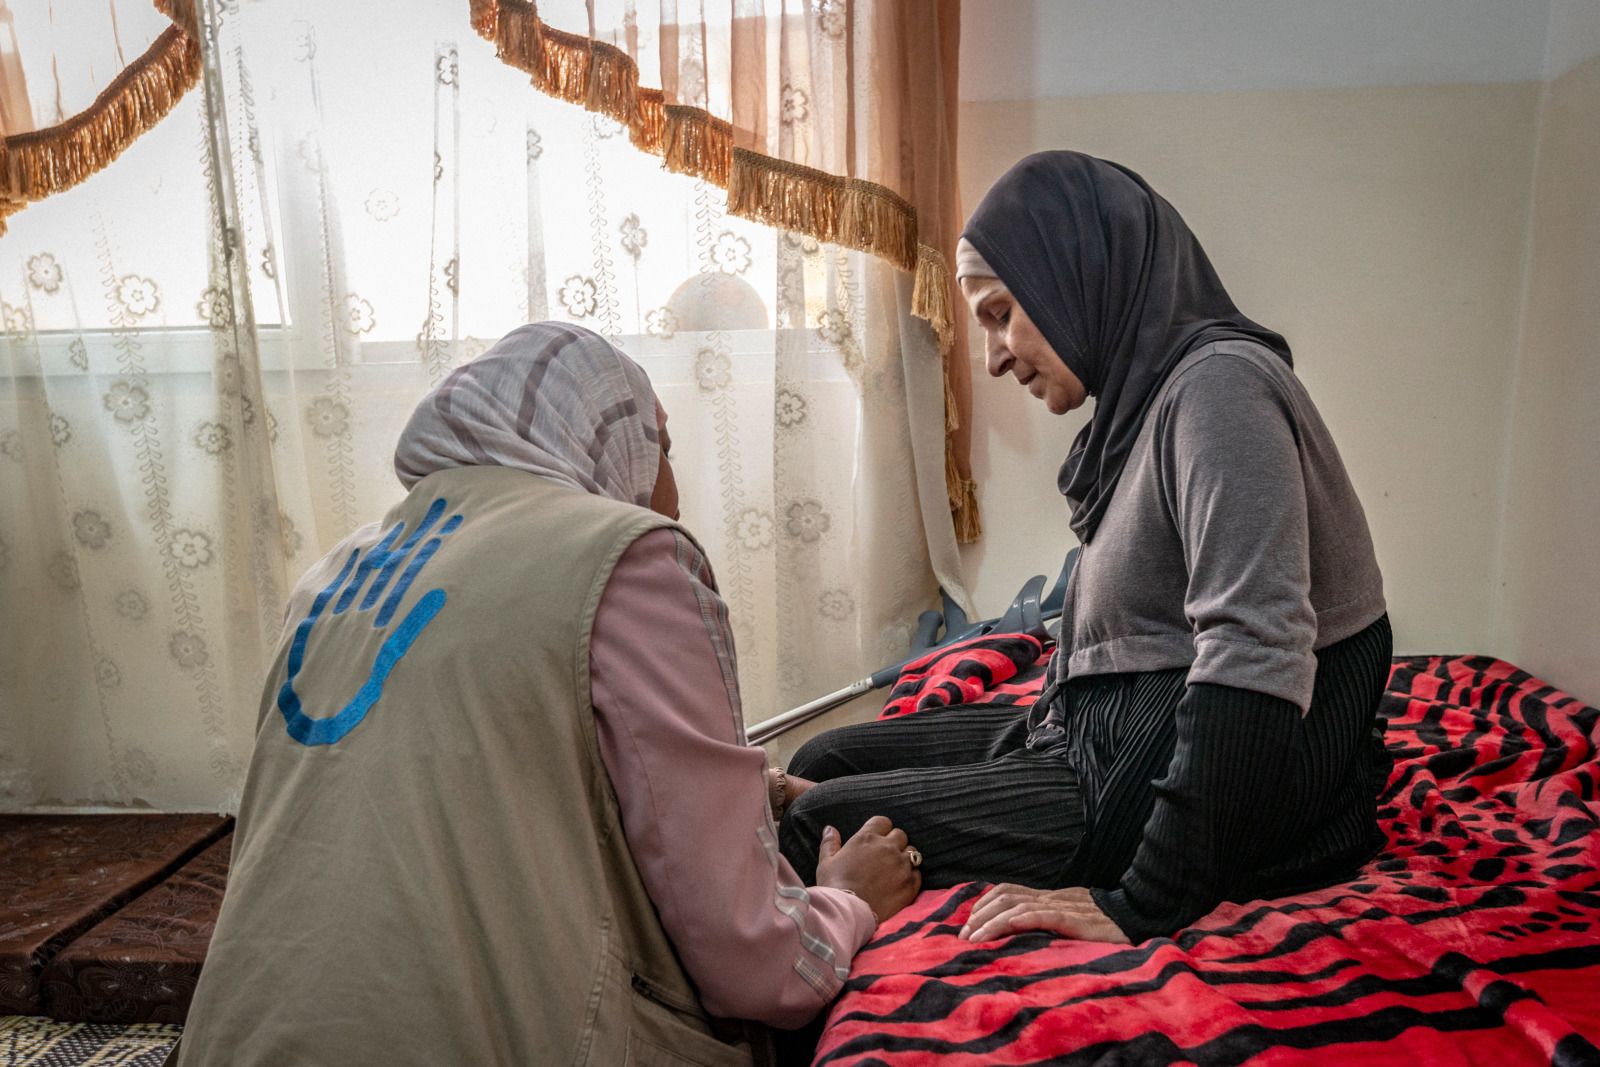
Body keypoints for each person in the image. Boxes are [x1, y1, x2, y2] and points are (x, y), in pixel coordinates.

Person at [171, 323, 920, 1067]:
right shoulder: (630, 557)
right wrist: (846, 899)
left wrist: (751, 784)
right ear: (607, 439)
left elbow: (471, 759)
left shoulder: (335, 574)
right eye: (662, 444)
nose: (675, 490)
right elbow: (754, 963)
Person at [777, 151, 1392, 947]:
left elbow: (1257, 653)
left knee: (818, 816)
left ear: (1078, 275)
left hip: (1146, 764)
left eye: (1000, 313)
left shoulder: (1220, 390)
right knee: (824, 757)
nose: (993, 355)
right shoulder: (1152, 402)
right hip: (1092, 722)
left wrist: (1145, 900)